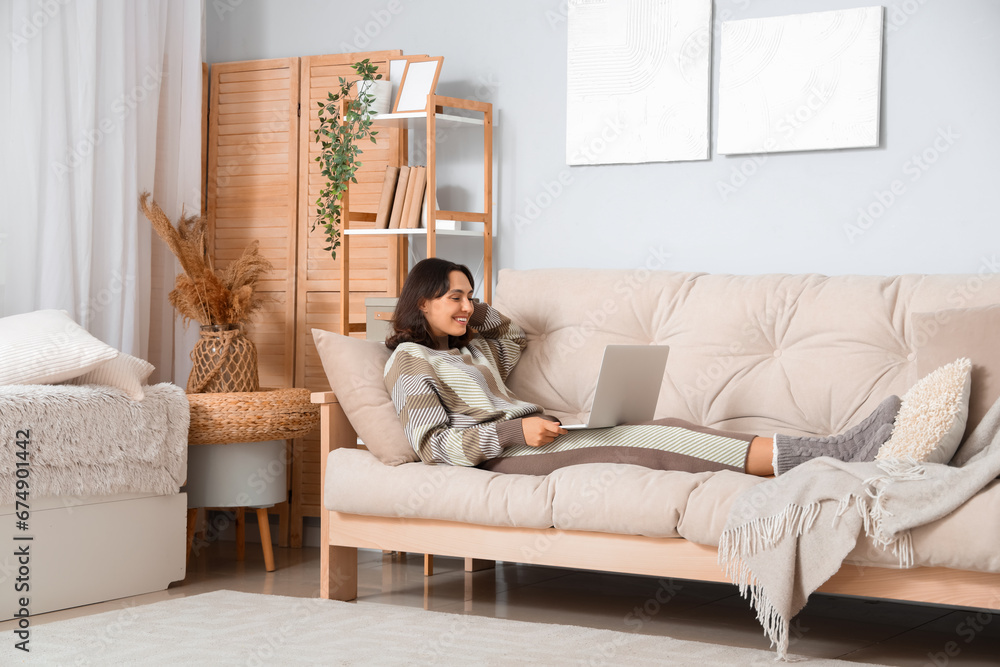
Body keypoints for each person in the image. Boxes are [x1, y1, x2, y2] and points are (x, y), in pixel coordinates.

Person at [384, 258, 901, 477]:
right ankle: (835, 455)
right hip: (508, 455)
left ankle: (832, 450)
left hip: (539, 433)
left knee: (666, 427)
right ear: (422, 300)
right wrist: (515, 431)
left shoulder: (471, 351)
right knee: (660, 442)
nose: (468, 307)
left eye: (470, 297)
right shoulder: (410, 363)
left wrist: (469, 311)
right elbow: (434, 447)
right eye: (454, 297)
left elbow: (511, 333)